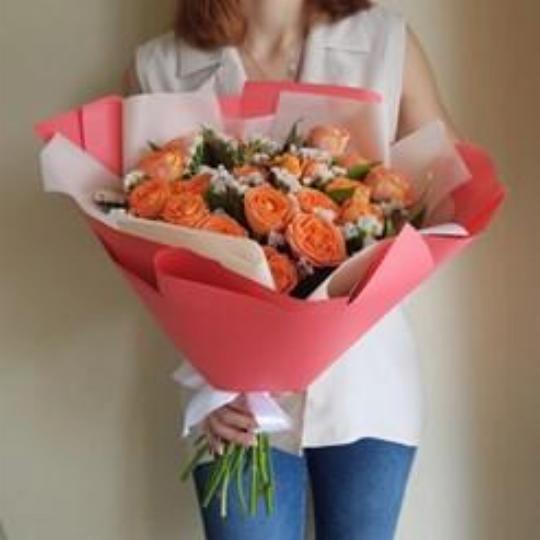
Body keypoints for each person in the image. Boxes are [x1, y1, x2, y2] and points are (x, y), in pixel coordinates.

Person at [127, 1, 458, 538]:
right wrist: (208, 383)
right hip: (231, 400)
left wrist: (378, 227)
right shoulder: (161, 65)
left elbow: (450, 193)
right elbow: (142, 239)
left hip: (367, 381)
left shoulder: (385, 42)